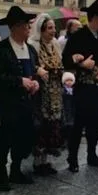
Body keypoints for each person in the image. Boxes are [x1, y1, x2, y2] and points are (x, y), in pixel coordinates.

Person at [0, 6, 39, 191]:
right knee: (6, 138)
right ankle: (0, 173)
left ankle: (15, 170)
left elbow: (34, 72)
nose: (29, 29)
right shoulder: (0, 49)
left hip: (27, 102)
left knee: (23, 137)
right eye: (26, 25)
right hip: (10, 102)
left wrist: (35, 83)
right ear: (16, 27)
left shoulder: (31, 50)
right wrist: (19, 81)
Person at [62, 0, 98, 172]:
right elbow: (66, 60)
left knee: (95, 122)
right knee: (79, 123)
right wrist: (82, 64)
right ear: (95, 18)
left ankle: (92, 154)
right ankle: (73, 157)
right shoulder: (78, 36)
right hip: (83, 86)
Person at [29, 13, 65, 175]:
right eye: (50, 28)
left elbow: (61, 63)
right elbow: (29, 65)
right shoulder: (33, 45)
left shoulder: (56, 44)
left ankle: (47, 161)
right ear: (41, 30)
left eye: (54, 28)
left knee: (53, 125)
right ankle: (38, 162)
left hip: (56, 91)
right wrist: (38, 69)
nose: (53, 31)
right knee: (41, 125)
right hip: (41, 92)